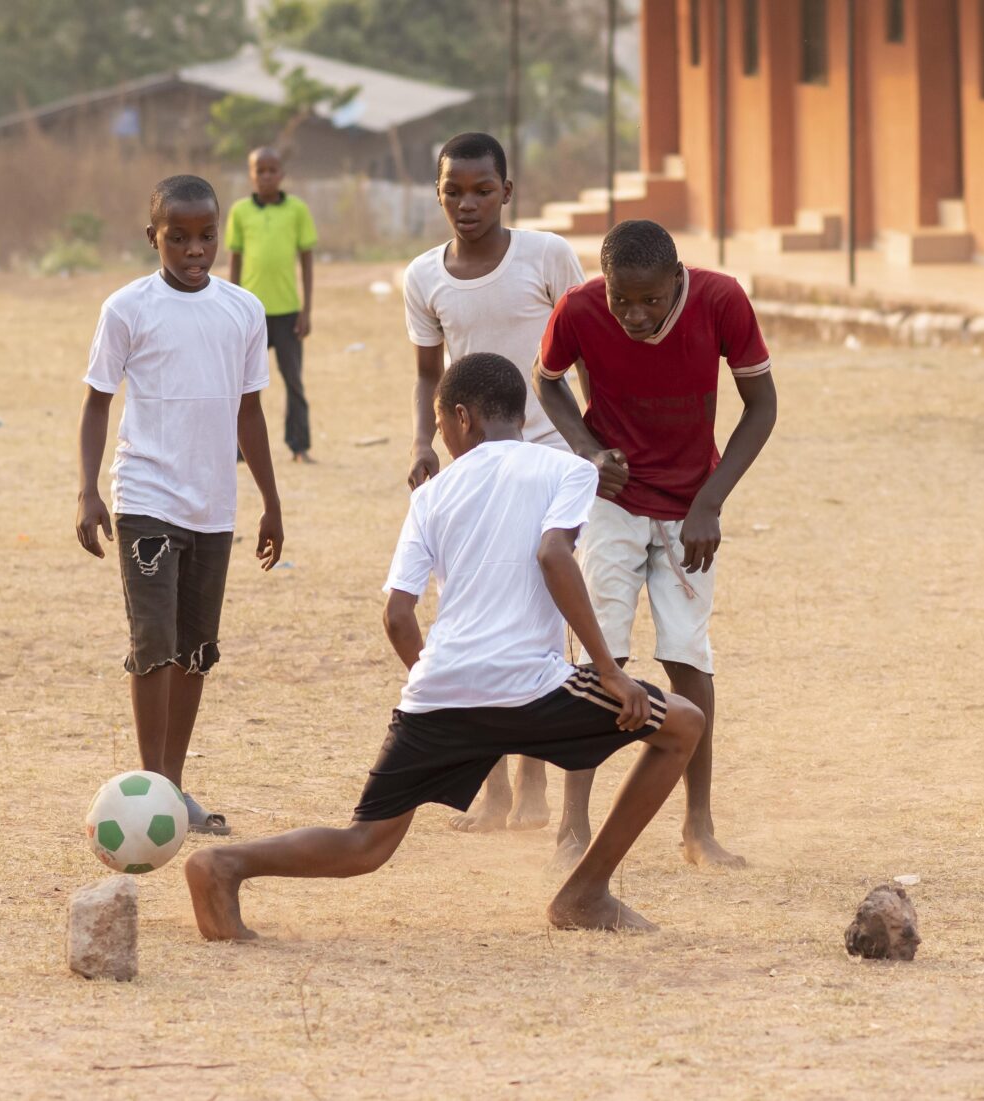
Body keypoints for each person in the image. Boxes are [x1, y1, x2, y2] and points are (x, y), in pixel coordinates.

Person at [185, 353, 704, 941]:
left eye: (438, 426)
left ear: (463, 418)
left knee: (365, 844)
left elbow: (398, 616)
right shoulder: (566, 469)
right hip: (532, 688)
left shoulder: (429, 497)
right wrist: (609, 670)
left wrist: (444, 682)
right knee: (682, 724)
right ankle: (585, 893)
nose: (440, 438)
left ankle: (224, 866)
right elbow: (555, 554)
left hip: (438, 693)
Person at [534, 219, 778, 872]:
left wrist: (709, 501)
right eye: (623, 300)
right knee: (598, 657)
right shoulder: (580, 309)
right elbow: (546, 379)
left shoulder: (722, 300)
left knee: (687, 656)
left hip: (688, 513)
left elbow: (763, 406)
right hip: (612, 505)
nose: (636, 315)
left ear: (677, 280)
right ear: (605, 286)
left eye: (651, 299)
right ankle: (572, 823)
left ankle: (698, 826)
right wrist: (588, 452)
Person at [77, 174, 284, 838]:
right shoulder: (127, 309)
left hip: (214, 505)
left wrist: (271, 502)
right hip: (146, 497)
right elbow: (96, 401)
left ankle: (172, 784)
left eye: (206, 236)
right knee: (155, 643)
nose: (195, 250)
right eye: (179, 237)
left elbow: (250, 412)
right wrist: (86, 490)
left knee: (196, 650)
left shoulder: (243, 311)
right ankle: (151, 789)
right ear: (153, 237)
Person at [402, 130, 587, 833]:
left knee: (542, 618)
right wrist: (424, 440)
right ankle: (494, 788)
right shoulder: (425, 277)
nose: (468, 202)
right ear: (439, 194)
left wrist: (591, 440)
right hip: (474, 465)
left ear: (508, 192)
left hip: (548, 459)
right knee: (481, 620)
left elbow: (587, 345)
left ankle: (533, 781)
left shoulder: (546, 256)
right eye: (454, 190)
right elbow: (428, 371)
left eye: (483, 189)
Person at [226, 147, 317, 462]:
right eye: (259, 170)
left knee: (293, 380)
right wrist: (230, 308)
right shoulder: (240, 212)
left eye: (272, 170)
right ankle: (237, 449)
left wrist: (306, 310)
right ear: (251, 174)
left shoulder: (296, 210)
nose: (266, 176)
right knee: (243, 383)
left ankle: (299, 446)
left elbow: (306, 260)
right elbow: (234, 261)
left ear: (281, 174)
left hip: (288, 312)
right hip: (250, 314)